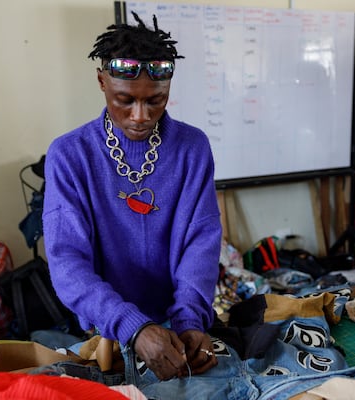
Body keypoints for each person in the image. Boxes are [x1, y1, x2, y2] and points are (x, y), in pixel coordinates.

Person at [42, 12, 222, 383]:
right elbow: (67, 261)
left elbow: (200, 242)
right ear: (101, 81)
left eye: (156, 101)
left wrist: (190, 319)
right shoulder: (70, 155)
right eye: (124, 100)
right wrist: (133, 327)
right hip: (106, 331)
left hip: (177, 323)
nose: (140, 116)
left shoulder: (192, 148)